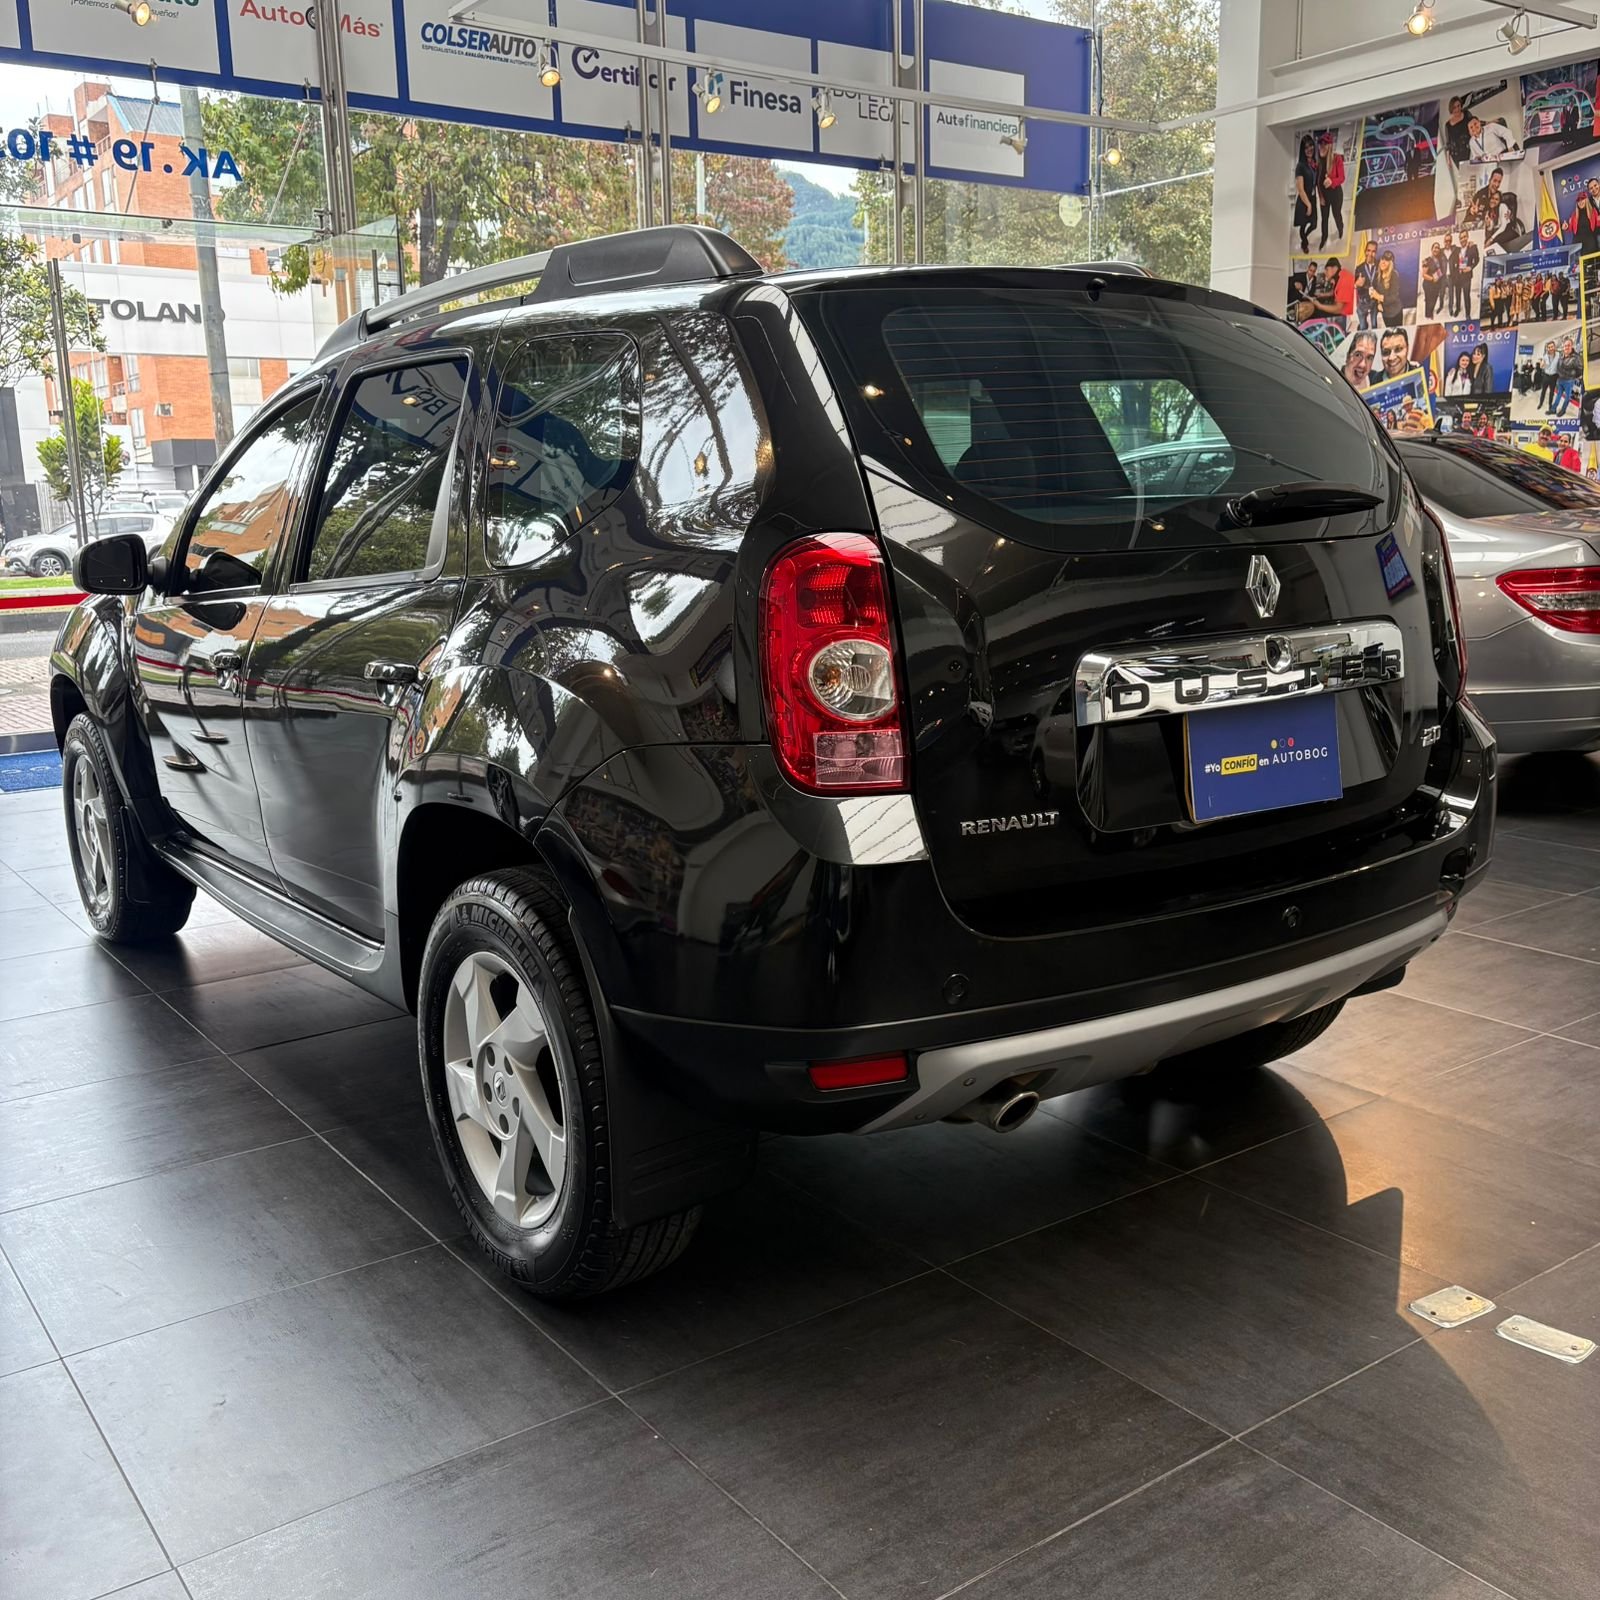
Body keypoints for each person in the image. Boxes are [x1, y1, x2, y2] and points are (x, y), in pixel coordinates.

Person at [1318, 131, 1346, 247]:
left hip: (1336, 194)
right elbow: (1317, 182)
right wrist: (1320, 197)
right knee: (1324, 218)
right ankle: (1324, 238)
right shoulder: (1318, 161)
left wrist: (1331, 181)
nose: (1322, 146)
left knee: (1336, 214)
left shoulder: (1337, 158)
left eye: (1325, 144)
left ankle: (1341, 228)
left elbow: (1342, 178)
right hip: (1324, 196)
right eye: (1320, 144)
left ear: (1330, 145)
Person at [1294, 135, 1318, 253]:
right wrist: (1308, 205)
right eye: (1306, 147)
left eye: (1311, 145)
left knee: (1314, 224)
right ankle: (1304, 243)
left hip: (1313, 198)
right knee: (1303, 226)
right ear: (1303, 150)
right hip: (1304, 200)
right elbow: (1300, 189)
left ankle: (1304, 238)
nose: (1309, 149)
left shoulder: (1313, 163)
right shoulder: (1300, 166)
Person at [1353, 239, 1380, 330]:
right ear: (1365, 251)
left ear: (1376, 253)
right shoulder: (1359, 268)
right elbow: (1353, 285)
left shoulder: (1380, 266)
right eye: (1368, 250)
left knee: (1374, 325)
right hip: (1363, 302)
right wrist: (1356, 284)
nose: (1370, 254)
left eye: (1373, 251)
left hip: (1374, 301)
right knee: (1363, 327)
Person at [1552, 335, 1583, 415]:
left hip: (1569, 381)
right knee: (1558, 395)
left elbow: (1580, 370)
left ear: (1572, 346)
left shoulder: (1576, 357)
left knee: (1567, 397)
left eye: (1568, 345)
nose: (1566, 347)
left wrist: (1572, 377)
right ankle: (1553, 409)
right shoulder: (1561, 355)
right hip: (1560, 380)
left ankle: (1563, 410)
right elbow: (1558, 366)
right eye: (1565, 345)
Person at [1568, 177, 1600, 254]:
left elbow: (1597, 223)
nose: (1594, 189)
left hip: (1591, 242)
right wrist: (1566, 227)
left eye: (1595, 185)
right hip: (1580, 244)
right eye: (1591, 188)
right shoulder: (1574, 215)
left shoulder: (1592, 211)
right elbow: (1571, 228)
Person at [1375, 249, 1406, 328]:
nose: (1383, 262)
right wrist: (1378, 303)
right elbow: (1377, 291)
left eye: (1386, 260)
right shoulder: (1377, 275)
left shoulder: (1394, 275)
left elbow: (1393, 297)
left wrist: (1379, 297)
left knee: (1397, 332)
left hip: (1395, 312)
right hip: (1385, 313)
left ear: (1390, 263)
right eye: (1382, 259)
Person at [1457, 234, 1480, 318]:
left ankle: (1467, 314)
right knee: (1458, 294)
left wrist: (1471, 267)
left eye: (1464, 237)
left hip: (1467, 276)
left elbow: (1477, 260)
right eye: (1461, 238)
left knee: (1466, 295)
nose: (1463, 239)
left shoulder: (1472, 247)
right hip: (1458, 276)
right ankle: (1458, 309)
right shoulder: (1457, 249)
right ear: (1459, 239)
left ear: (1467, 237)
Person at [1420, 246, 1445, 319]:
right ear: (1431, 249)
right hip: (1428, 285)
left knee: (1434, 300)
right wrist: (1432, 279)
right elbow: (1424, 275)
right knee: (1429, 301)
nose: (1436, 249)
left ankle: (1431, 312)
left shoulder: (1440, 260)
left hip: (1437, 285)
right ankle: (1428, 315)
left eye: (1438, 248)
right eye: (1435, 248)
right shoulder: (1426, 260)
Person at [1537, 339, 1561, 409]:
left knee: (1552, 392)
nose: (1550, 348)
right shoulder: (1545, 356)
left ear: (1554, 347)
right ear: (1547, 348)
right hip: (1546, 376)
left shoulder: (1558, 355)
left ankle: (1550, 405)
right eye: (1549, 347)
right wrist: (1542, 364)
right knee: (1543, 391)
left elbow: (1560, 364)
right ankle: (1540, 403)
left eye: (1552, 346)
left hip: (1554, 377)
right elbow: (1541, 366)